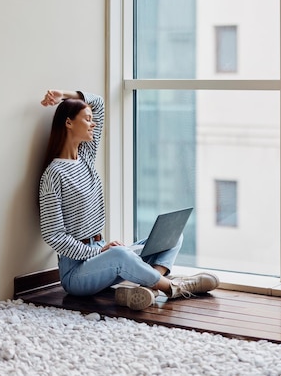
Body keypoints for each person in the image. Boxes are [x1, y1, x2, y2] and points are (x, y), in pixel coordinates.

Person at [38, 89, 219, 310]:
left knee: (173, 234)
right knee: (120, 254)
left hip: (103, 254)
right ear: (68, 123)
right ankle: (173, 288)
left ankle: (149, 287)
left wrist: (64, 94)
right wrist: (99, 252)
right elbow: (53, 235)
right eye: (87, 119)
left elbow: (99, 103)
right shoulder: (53, 174)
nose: (93, 124)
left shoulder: (85, 157)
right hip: (76, 273)